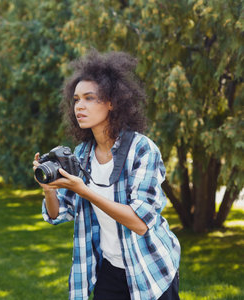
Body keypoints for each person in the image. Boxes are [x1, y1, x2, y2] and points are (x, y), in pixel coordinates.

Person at [33, 49, 180, 300]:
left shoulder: (141, 149)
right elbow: (58, 214)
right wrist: (49, 189)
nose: (80, 106)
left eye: (90, 98)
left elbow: (139, 222)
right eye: (77, 99)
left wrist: (85, 191)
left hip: (149, 265)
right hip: (110, 269)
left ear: (112, 102)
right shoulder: (81, 155)